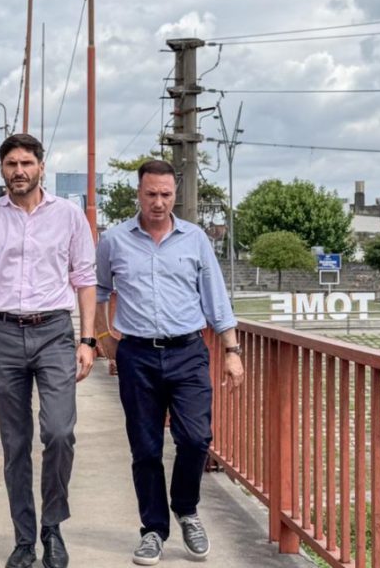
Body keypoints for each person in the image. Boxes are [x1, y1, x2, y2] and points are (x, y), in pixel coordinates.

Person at [0, 134, 97, 568]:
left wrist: (88, 340)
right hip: (2, 334)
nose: (19, 171)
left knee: (59, 432)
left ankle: (52, 528)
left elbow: (85, 278)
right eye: (11, 164)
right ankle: (24, 541)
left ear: (41, 167)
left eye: (27, 163)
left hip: (54, 332)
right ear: (2, 170)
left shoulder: (69, 216)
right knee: (15, 443)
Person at [95, 160, 245, 566]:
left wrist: (231, 351)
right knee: (145, 448)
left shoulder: (195, 239)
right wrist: (104, 339)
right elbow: (100, 290)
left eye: (165, 194)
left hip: (188, 352)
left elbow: (216, 299)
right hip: (137, 356)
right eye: (151, 194)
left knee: (196, 439)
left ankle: (186, 510)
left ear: (174, 195)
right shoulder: (113, 240)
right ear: (138, 194)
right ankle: (153, 530)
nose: (158, 202)